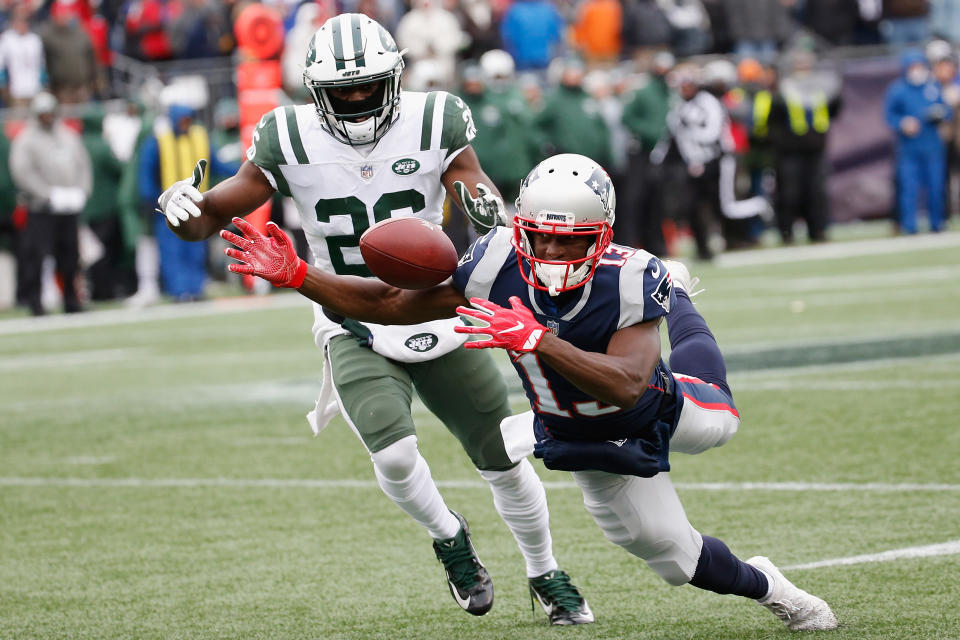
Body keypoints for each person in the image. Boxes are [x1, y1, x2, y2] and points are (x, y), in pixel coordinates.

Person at [219, 153, 840, 633]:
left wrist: (540, 339)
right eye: (540, 234)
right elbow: (389, 305)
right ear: (521, 227)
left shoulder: (627, 277)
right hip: (578, 434)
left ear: (600, 236)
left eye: (569, 238)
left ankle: (677, 297)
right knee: (672, 559)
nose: (550, 249)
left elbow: (626, 385)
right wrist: (300, 275)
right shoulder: (491, 265)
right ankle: (772, 588)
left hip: (663, 407)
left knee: (721, 415)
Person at [155, 13, 592, 625]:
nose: (359, 101)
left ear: (395, 78)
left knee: (501, 454)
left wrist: (482, 202)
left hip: (436, 305)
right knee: (392, 454)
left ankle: (545, 570)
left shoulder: (433, 118)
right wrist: (182, 204)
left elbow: (473, 183)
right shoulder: (287, 136)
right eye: (344, 91)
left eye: (370, 87)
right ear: (315, 92)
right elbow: (211, 214)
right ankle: (450, 537)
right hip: (349, 314)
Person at [9, 91, 91, 315]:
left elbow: (83, 165)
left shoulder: (67, 136)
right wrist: (48, 194)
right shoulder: (26, 139)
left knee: (70, 256)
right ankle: (36, 302)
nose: (47, 117)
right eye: (43, 113)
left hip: (68, 207)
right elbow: (22, 172)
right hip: (41, 208)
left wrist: (81, 192)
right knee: (37, 255)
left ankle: (71, 299)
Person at [884, 48, 952, 234]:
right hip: (909, 149)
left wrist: (939, 114)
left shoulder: (933, 87)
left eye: (920, 66)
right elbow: (889, 116)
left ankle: (937, 224)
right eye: (913, 66)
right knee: (909, 189)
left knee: (936, 187)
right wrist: (902, 123)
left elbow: (947, 111)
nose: (917, 70)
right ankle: (909, 226)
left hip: (933, 146)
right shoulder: (897, 90)